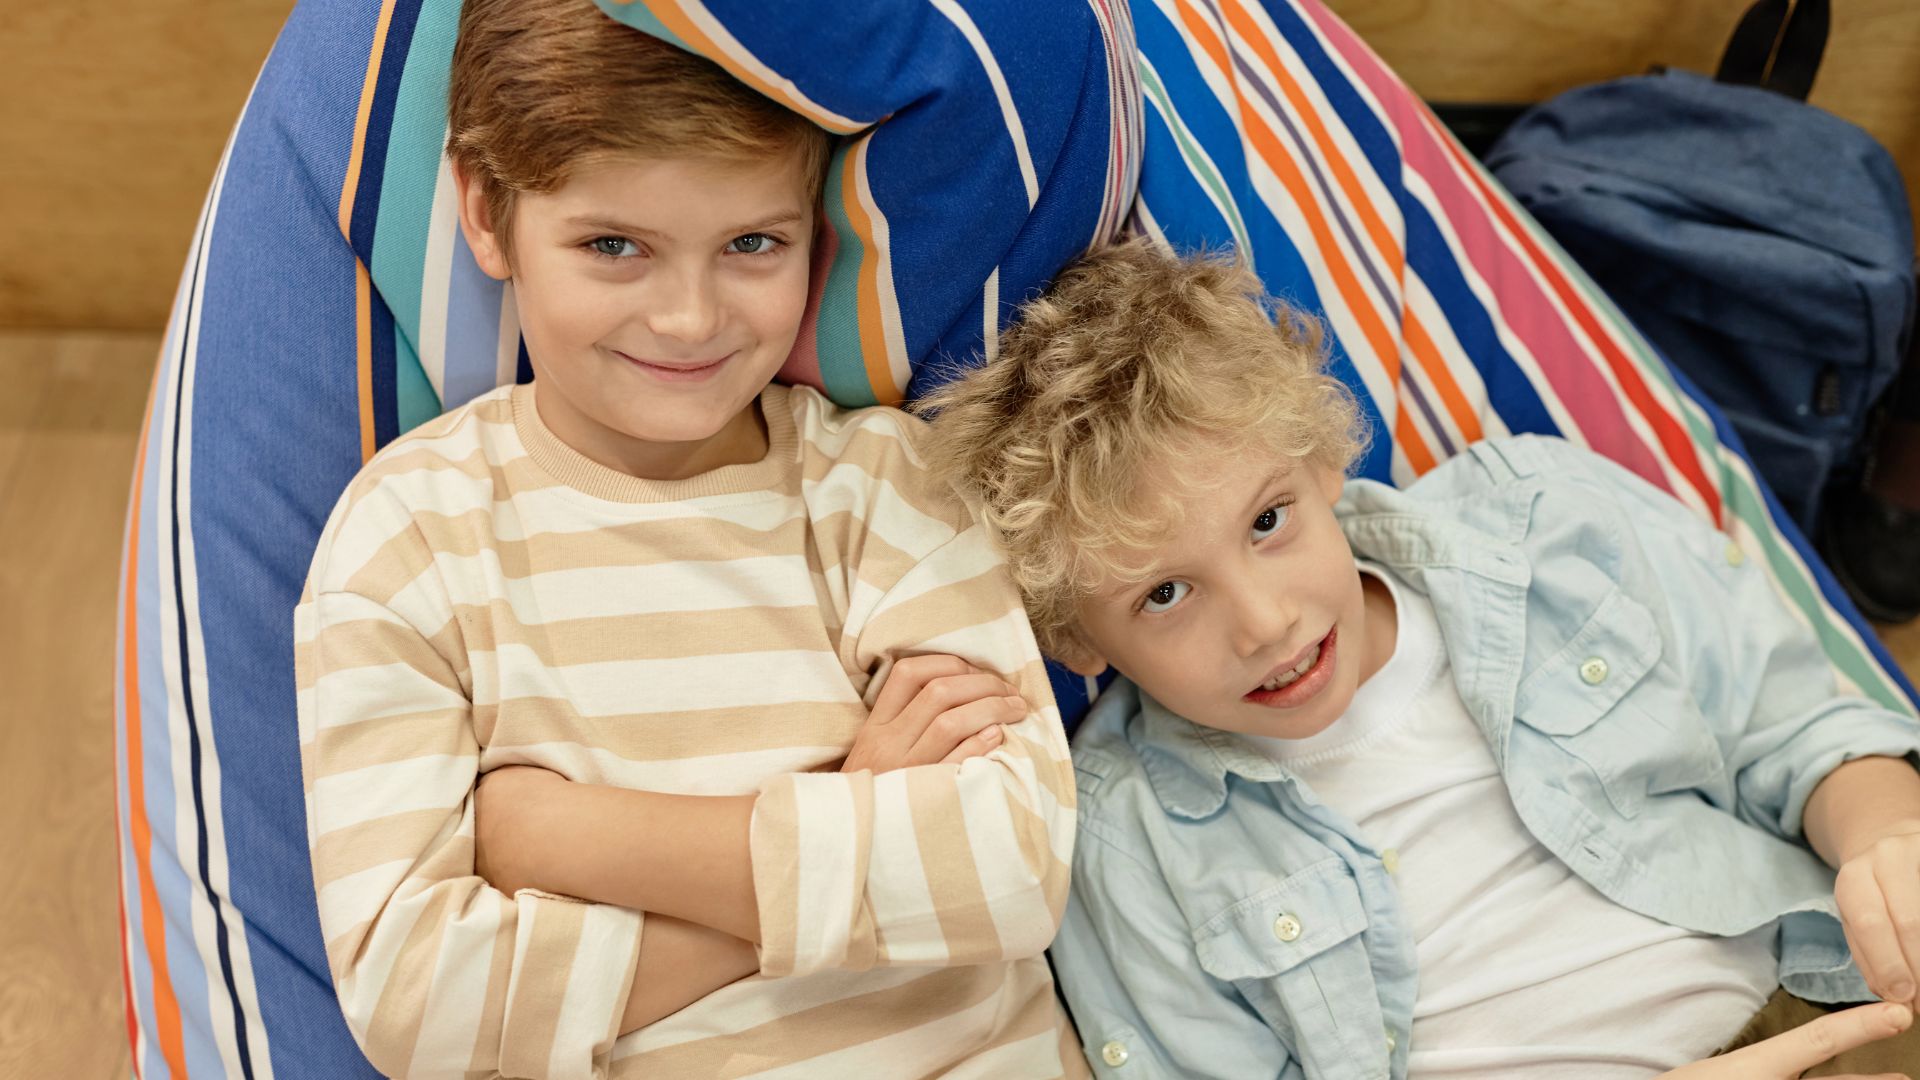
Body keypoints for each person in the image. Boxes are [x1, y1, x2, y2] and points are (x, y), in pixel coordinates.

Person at [293, 2, 1081, 1075]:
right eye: (614, 246)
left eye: (753, 244)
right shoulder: (414, 534)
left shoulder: (885, 486)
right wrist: (854, 810)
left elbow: (1014, 869)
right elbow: (418, 1005)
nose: (688, 319)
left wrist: (572, 837)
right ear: (486, 210)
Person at [919, 238, 1920, 1078]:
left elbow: (1801, 732)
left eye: (1268, 520)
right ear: (1080, 642)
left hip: (1821, 1003)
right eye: (1165, 596)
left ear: (1322, 459)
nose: (1265, 623)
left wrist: (1886, 839)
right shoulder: (1122, 843)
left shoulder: (1541, 523)